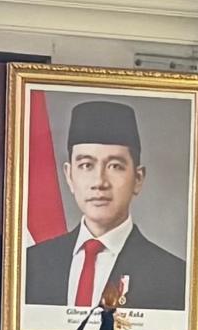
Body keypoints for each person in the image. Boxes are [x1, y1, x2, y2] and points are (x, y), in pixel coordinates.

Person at [21, 98, 185, 312]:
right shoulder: (30, 264)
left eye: (115, 166)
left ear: (138, 178)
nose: (99, 182)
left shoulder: (173, 276)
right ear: (69, 175)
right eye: (86, 165)